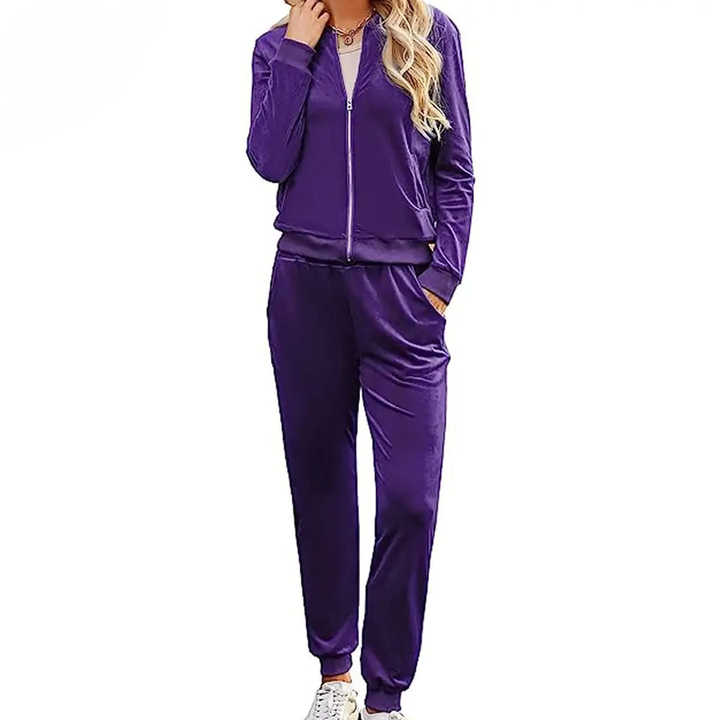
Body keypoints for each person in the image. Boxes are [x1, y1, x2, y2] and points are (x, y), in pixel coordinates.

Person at [247, 0, 473, 717]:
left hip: (402, 293)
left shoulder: (430, 35)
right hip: (304, 287)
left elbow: (456, 172)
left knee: (410, 497)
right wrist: (298, 48)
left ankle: (386, 695)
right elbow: (268, 159)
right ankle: (336, 677)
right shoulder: (275, 47)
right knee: (320, 483)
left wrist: (440, 281)